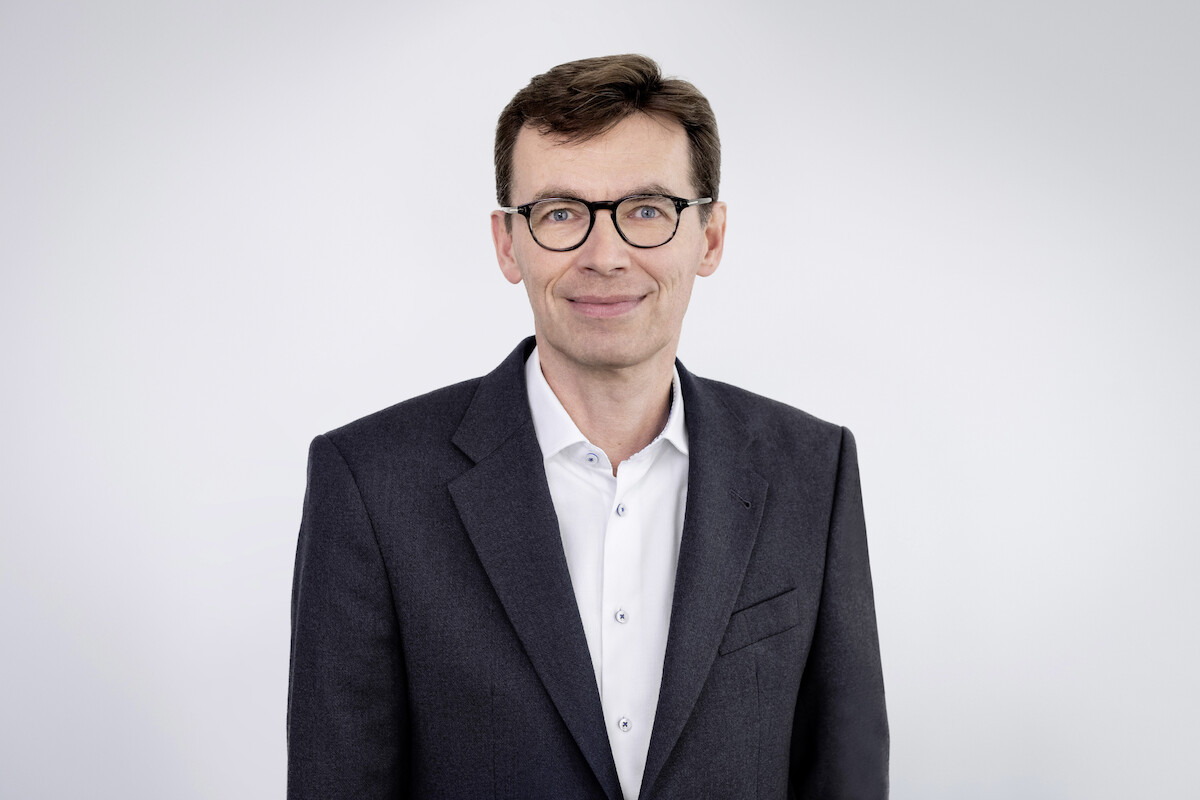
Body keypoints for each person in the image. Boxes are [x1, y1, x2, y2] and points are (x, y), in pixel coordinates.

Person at [288, 54, 888, 799]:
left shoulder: (812, 469)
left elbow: (846, 773)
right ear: (509, 243)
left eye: (646, 210)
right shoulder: (371, 482)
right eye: (562, 213)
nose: (604, 258)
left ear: (710, 237)